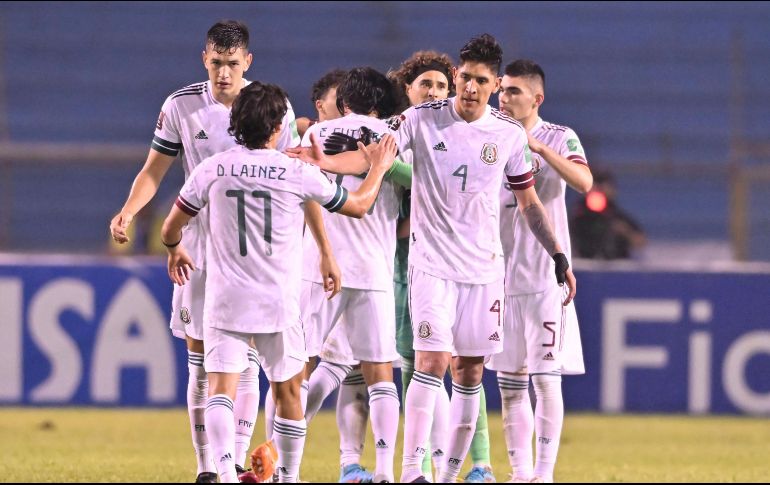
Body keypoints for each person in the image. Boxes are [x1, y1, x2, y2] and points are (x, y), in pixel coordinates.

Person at [288, 34, 576, 484]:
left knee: (470, 370)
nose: (469, 87)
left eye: (481, 80)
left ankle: (449, 473)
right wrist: (322, 161)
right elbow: (373, 156)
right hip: (431, 268)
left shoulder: (507, 134)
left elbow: (529, 202)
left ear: (494, 82)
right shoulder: (420, 119)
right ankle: (410, 474)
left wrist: (557, 252)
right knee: (430, 362)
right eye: (465, 77)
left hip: (484, 271)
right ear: (457, 75)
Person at [160, 81, 398, 483]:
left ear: (236, 123)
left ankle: (221, 471)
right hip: (278, 303)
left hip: (225, 301)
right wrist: (377, 168)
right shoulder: (295, 172)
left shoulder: (213, 168)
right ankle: (287, 477)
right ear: (276, 127)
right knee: (288, 391)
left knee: (220, 388)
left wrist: (173, 248)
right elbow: (357, 206)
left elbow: (172, 226)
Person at [108, 21, 304, 483]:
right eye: (216, 63)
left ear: (247, 63)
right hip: (199, 253)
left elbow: (294, 173)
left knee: (249, 359)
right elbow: (154, 171)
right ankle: (208, 468)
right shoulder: (181, 105)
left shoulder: (271, 107)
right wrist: (129, 211)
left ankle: (234, 462)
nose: (223, 73)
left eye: (232, 64)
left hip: (258, 254)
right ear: (204, 59)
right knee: (203, 363)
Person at [300, 66, 404, 483]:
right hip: (373, 267)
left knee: (297, 367)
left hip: (319, 266)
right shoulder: (394, 139)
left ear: (343, 102)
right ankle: (383, 472)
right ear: (384, 105)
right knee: (380, 375)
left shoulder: (313, 136)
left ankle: (277, 461)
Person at [490, 59, 591, 483]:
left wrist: (541, 150)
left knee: (546, 380)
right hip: (498, 278)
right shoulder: (487, 137)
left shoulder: (559, 136)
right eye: (502, 89)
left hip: (544, 279)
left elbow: (585, 183)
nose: (504, 97)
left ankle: (544, 474)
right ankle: (520, 473)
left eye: (513, 90)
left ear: (537, 98)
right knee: (510, 385)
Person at [570, 169, 645, 259]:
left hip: (614, 263)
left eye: (602, 187)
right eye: (595, 187)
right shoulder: (579, 215)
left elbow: (640, 241)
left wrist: (625, 232)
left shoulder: (614, 214)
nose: (598, 192)